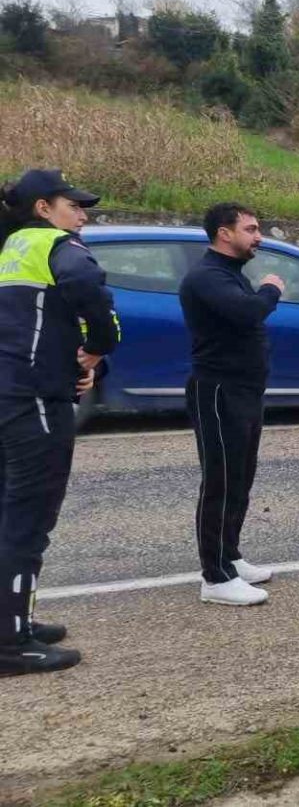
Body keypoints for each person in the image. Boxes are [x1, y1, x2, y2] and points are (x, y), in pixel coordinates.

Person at [0, 169, 120, 676]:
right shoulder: (57, 246)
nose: (82, 215)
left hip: (9, 392)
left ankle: (14, 619)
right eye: (73, 205)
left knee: (9, 513)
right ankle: (10, 644)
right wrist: (99, 348)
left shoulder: (10, 248)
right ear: (44, 209)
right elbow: (91, 291)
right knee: (28, 521)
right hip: (35, 400)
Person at [179, 203, 286, 607]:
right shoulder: (207, 276)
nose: (259, 236)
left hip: (244, 391)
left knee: (240, 478)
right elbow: (247, 313)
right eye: (251, 229)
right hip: (218, 391)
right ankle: (216, 577)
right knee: (221, 482)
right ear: (224, 233)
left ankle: (231, 557)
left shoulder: (230, 274)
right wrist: (271, 288)